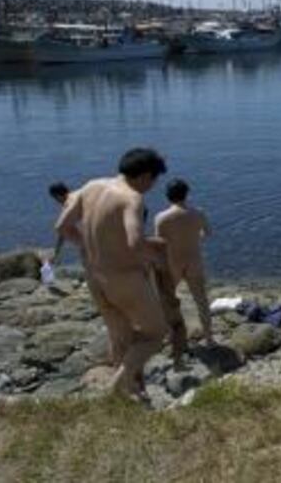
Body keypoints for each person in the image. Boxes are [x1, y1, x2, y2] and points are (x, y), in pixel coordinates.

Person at [55, 147, 169, 400]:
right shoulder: (131, 198)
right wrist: (158, 257)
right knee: (156, 335)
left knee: (121, 336)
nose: (152, 186)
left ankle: (131, 393)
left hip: (95, 275)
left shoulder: (90, 187)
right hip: (123, 278)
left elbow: (62, 226)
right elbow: (135, 242)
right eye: (154, 180)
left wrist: (86, 244)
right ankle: (117, 385)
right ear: (146, 175)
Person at [153, 178, 214, 358]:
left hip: (173, 263)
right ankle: (209, 339)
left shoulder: (162, 217)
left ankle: (176, 339)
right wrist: (194, 238)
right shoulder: (199, 213)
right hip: (194, 260)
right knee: (201, 301)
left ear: (168, 196)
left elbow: (159, 244)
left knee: (168, 302)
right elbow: (208, 233)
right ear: (186, 194)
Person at [47, 182, 71, 265]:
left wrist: (56, 252)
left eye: (55, 198)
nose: (56, 201)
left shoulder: (69, 206)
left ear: (58, 196)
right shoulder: (78, 197)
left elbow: (62, 229)